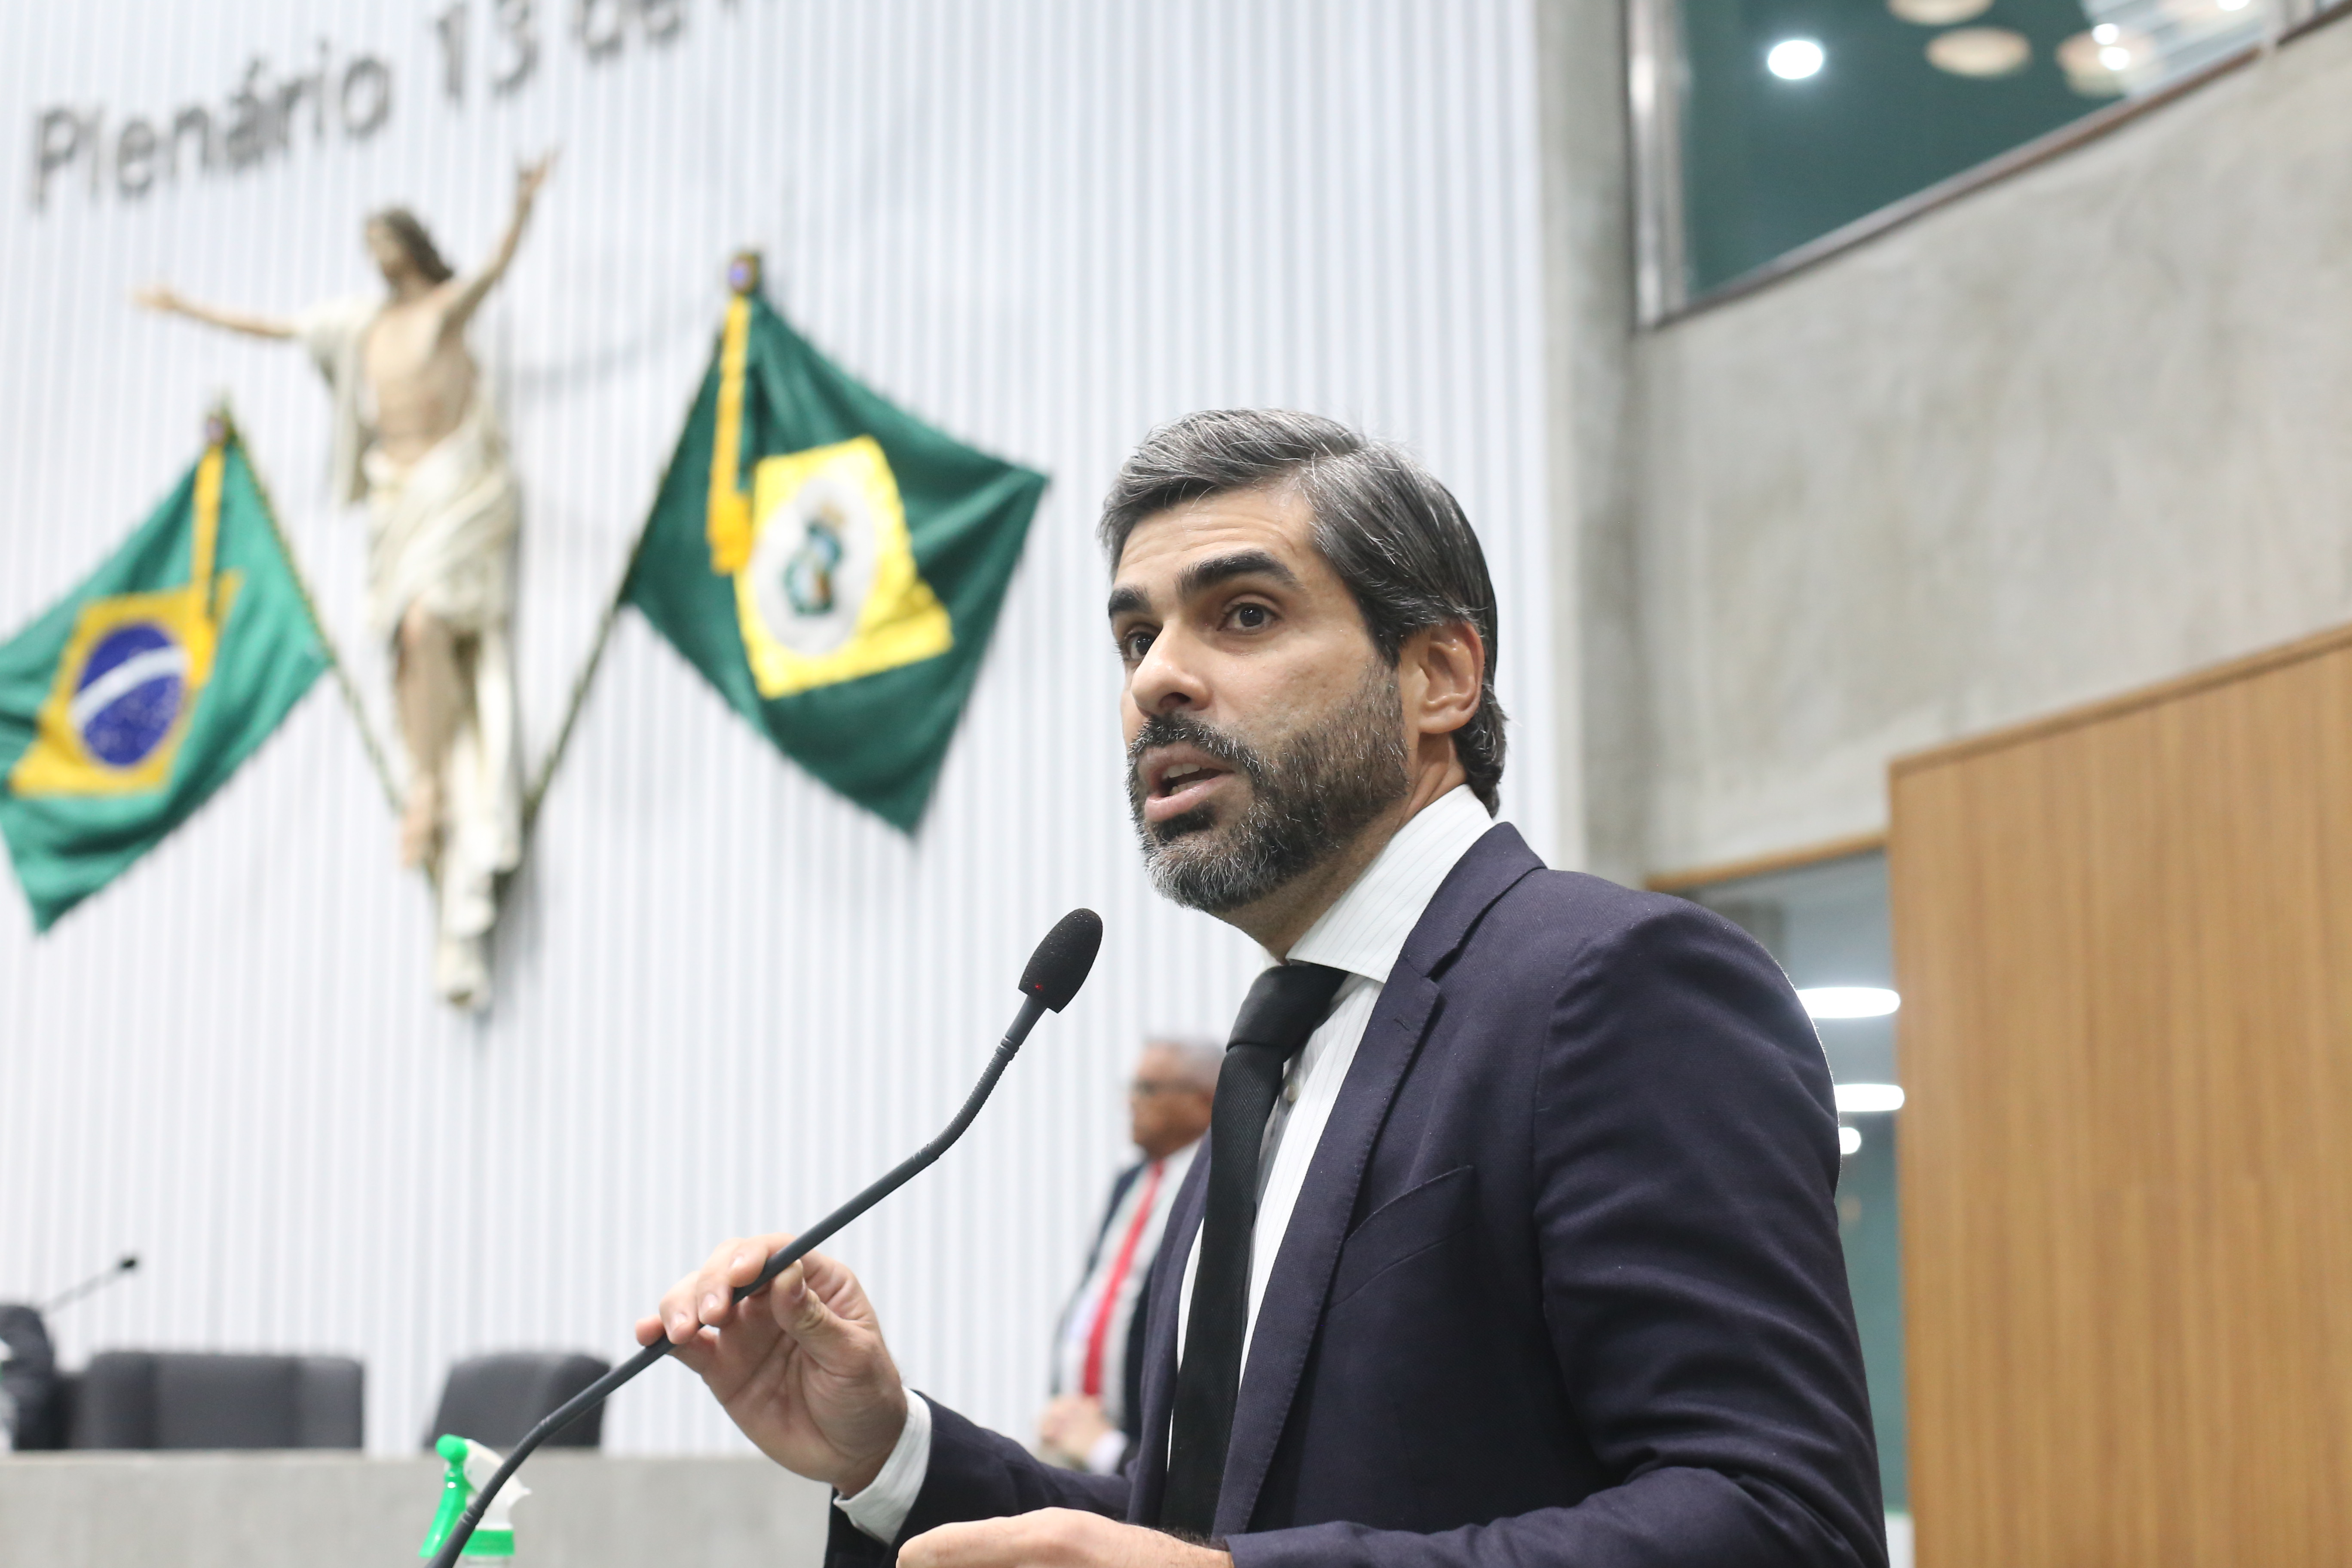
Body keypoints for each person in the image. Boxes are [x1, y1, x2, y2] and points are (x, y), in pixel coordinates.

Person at [641, 410, 1886, 1568]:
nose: (1155, 683)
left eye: (1240, 615)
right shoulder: (1276, 1065)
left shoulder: (1610, 989)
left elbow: (1780, 1520)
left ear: (1440, 676)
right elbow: (1192, 1529)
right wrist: (889, 1449)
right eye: (1136, 638)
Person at [134, 155, 556, 1008]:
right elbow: (274, 329)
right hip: (397, 499)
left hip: (451, 491)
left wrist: (518, 204)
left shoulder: (442, 310)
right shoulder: (362, 329)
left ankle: (432, 788)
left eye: (385, 239)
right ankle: (427, 781)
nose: (377, 254)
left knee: (426, 628)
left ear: (411, 245)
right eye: (368, 243)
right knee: (408, 643)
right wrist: (184, 309)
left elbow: (496, 269)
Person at [1039, 1040, 1220, 1475]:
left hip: (1143, 1449)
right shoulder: (1132, 1181)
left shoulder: (1219, 1184)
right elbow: (1102, 1291)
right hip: (1076, 1431)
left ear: (1203, 1100)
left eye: (1148, 1089)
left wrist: (1119, 1448)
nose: (1131, 1102)